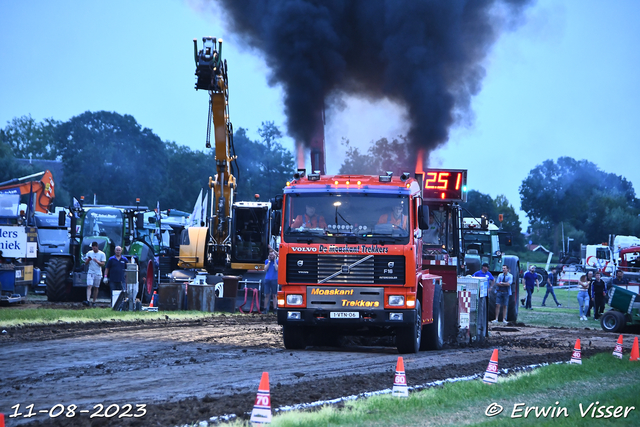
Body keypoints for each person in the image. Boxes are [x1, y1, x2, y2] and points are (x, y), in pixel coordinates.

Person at [84, 241, 106, 307]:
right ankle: (88, 300)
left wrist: (97, 261)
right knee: (89, 286)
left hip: (98, 273)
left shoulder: (102, 254)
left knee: (96, 287)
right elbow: (85, 263)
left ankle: (94, 301)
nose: (94, 249)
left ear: (97, 247)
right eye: (93, 248)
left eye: (95, 248)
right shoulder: (89, 253)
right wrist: (88, 260)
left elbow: (103, 264)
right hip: (90, 271)